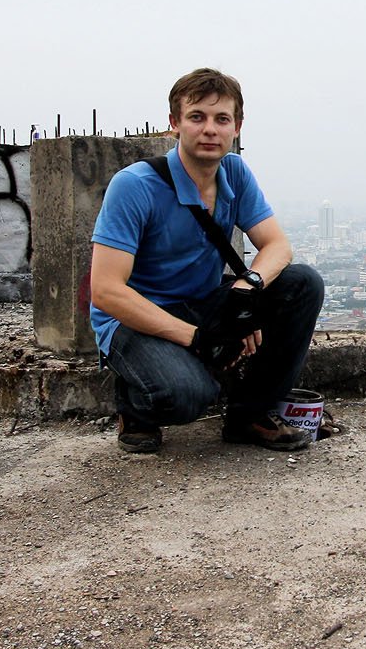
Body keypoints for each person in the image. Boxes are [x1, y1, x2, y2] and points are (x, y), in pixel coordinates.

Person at [89, 69, 324, 453]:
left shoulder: (234, 172)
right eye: (197, 117)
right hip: (134, 318)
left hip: (201, 302)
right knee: (188, 396)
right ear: (174, 124)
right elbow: (106, 291)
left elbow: (278, 246)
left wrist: (245, 292)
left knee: (302, 284)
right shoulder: (134, 186)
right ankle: (135, 404)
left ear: (237, 127)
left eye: (222, 119)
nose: (210, 129)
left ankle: (250, 414)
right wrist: (198, 341)